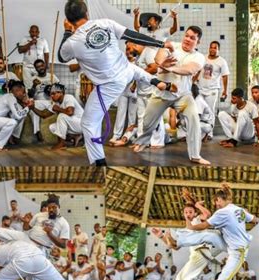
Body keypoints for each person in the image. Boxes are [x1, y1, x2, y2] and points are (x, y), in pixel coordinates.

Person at [58, 0, 175, 166]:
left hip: (109, 85)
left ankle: (99, 162)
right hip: (125, 70)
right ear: (87, 14)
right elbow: (132, 35)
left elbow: (62, 57)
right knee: (134, 69)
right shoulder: (105, 23)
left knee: (88, 123)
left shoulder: (72, 42)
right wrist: (161, 43)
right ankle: (155, 81)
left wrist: (67, 31)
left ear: (68, 20)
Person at [133, 26, 211, 165]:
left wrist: (169, 68)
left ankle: (195, 155)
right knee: (147, 122)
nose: (187, 39)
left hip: (183, 95)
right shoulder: (172, 45)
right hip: (162, 94)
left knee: (194, 120)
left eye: (192, 38)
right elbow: (158, 57)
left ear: (198, 42)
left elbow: (189, 70)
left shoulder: (198, 56)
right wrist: (162, 63)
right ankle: (143, 142)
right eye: (187, 36)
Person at [183, 183, 259, 280]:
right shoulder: (239, 210)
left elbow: (204, 225)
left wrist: (191, 228)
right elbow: (254, 219)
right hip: (231, 245)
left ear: (220, 199)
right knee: (211, 235)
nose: (216, 204)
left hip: (238, 252)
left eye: (216, 202)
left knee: (224, 279)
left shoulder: (223, 212)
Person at [31, 83, 84, 150]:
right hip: (74, 125)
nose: (52, 96)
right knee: (52, 127)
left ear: (61, 93)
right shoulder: (56, 103)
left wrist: (58, 109)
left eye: (54, 94)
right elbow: (44, 115)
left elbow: (70, 112)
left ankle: (62, 143)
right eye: (51, 94)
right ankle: (76, 136)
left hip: (82, 124)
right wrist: (32, 108)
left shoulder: (68, 97)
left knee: (61, 116)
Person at [195, 40, 230, 133]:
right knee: (199, 109)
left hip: (212, 90)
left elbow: (225, 76)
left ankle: (209, 133)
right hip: (200, 89)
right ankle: (200, 131)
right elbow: (198, 70)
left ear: (218, 50)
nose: (212, 49)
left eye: (215, 48)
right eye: (211, 47)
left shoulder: (222, 61)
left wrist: (225, 91)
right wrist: (193, 80)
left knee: (210, 111)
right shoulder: (203, 58)